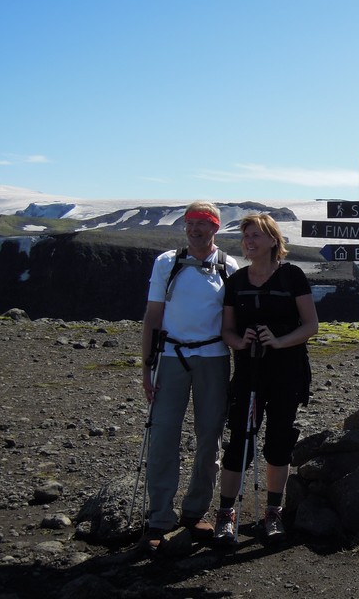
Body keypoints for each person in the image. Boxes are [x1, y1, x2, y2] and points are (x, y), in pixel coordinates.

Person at [213, 213, 318, 545]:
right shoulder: (236, 281)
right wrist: (240, 341)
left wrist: (279, 341)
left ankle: (274, 512)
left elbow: (310, 325)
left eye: (255, 235)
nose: (249, 242)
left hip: (287, 372)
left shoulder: (292, 276)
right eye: (246, 236)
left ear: (273, 240)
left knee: (279, 440)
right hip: (249, 372)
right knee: (239, 441)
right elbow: (226, 330)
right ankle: (225, 514)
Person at [140, 201, 238, 553]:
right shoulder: (167, 263)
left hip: (213, 357)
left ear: (215, 228)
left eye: (203, 223)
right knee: (163, 434)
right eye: (190, 223)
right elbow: (153, 316)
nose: (195, 229)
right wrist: (147, 367)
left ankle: (195, 511)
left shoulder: (228, 266)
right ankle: (159, 517)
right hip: (171, 356)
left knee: (210, 436)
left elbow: (233, 318)